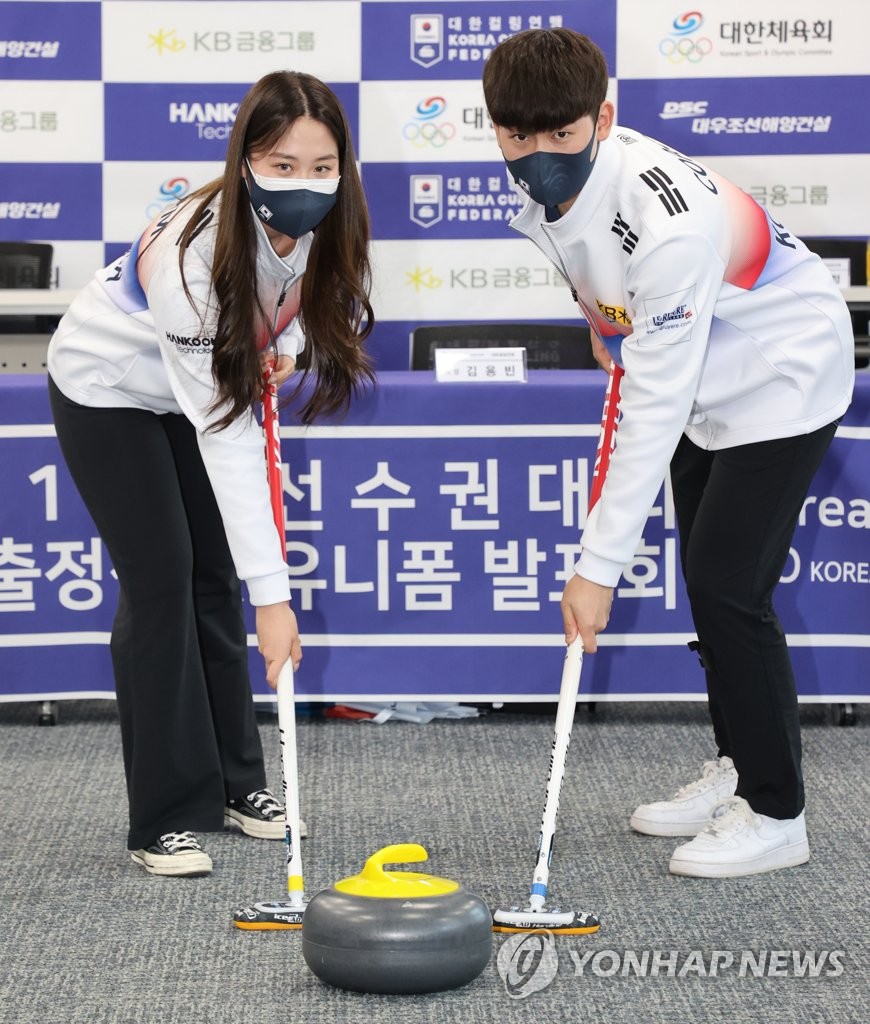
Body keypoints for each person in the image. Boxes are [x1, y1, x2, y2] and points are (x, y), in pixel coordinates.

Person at [483, 29, 855, 878]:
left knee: (732, 584)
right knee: (708, 576)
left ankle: (775, 812)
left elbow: (651, 407)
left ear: (603, 116)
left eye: (562, 135)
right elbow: (600, 275)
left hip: (780, 371)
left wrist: (597, 568)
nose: (537, 155)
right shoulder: (563, 182)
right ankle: (738, 764)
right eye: (516, 136)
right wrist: (603, 318)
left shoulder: (670, 223)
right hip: (703, 370)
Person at [47, 71, 374, 877]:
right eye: (282, 163)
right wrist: (278, 601)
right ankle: (162, 815)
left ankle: (235, 783)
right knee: (162, 579)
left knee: (212, 577)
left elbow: (293, 313)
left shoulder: (334, 226)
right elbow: (226, 431)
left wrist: (282, 350)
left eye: (321, 165)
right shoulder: (195, 254)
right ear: (245, 161)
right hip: (109, 389)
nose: (305, 183)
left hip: (195, 391)